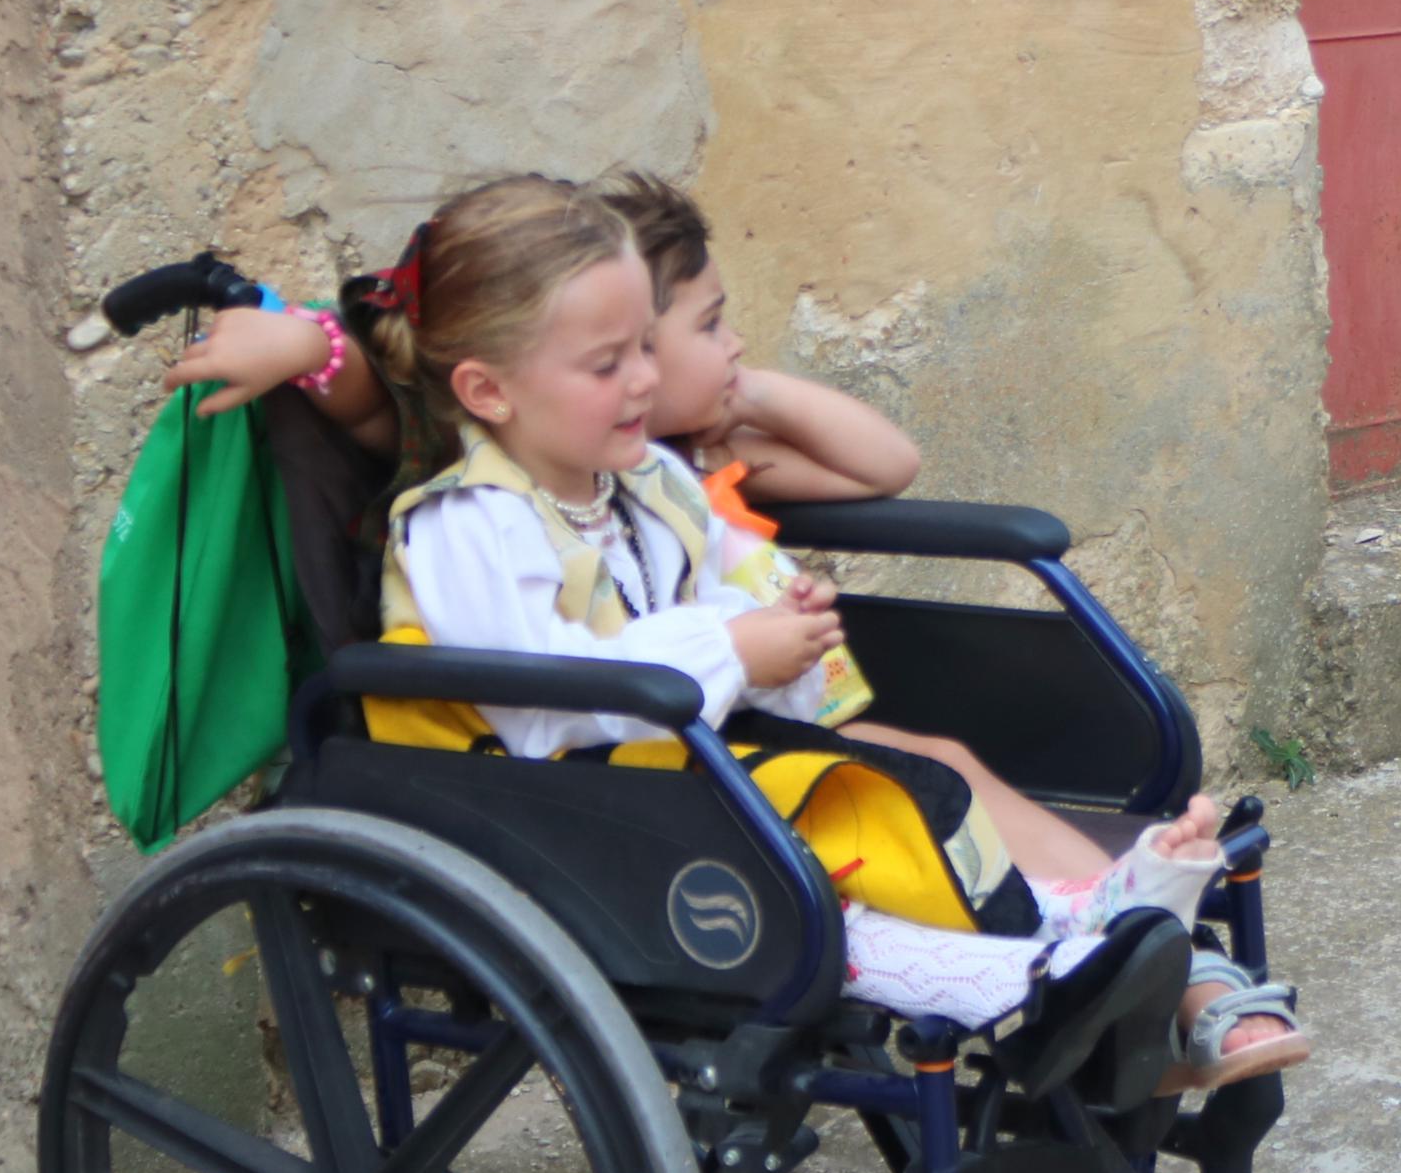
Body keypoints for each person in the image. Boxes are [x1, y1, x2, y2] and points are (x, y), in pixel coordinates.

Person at [171, 175, 1302, 1080]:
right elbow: (532, 703)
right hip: (566, 807)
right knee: (832, 890)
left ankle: (1095, 939)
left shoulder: (651, 484)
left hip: (689, 768)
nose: (640, 383)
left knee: (897, 795)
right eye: (606, 362)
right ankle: (1040, 974)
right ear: (487, 391)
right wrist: (729, 649)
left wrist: (785, 637)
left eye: (646, 355)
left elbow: (735, 610)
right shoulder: (467, 525)